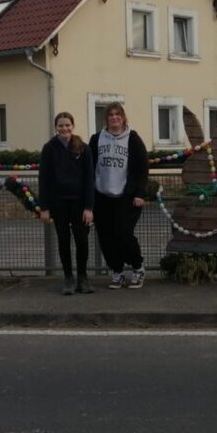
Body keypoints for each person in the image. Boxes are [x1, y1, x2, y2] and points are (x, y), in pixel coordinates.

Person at [90, 102, 149, 289]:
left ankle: (138, 268)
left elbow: (142, 168)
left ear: (123, 118)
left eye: (118, 114)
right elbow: (89, 166)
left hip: (125, 196)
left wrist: (139, 193)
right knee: (106, 236)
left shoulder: (133, 139)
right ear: (106, 119)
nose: (114, 118)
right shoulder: (96, 139)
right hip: (102, 195)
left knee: (124, 234)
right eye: (110, 115)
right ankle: (117, 271)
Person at [38, 112, 95, 294]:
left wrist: (89, 207)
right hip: (58, 202)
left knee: (82, 241)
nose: (64, 128)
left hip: (79, 203)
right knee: (63, 240)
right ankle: (68, 278)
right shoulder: (49, 148)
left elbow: (89, 179)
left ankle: (82, 278)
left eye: (67, 125)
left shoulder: (83, 148)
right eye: (61, 125)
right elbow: (43, 179)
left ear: (73, 126)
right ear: (56, 127)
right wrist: (44, 208)